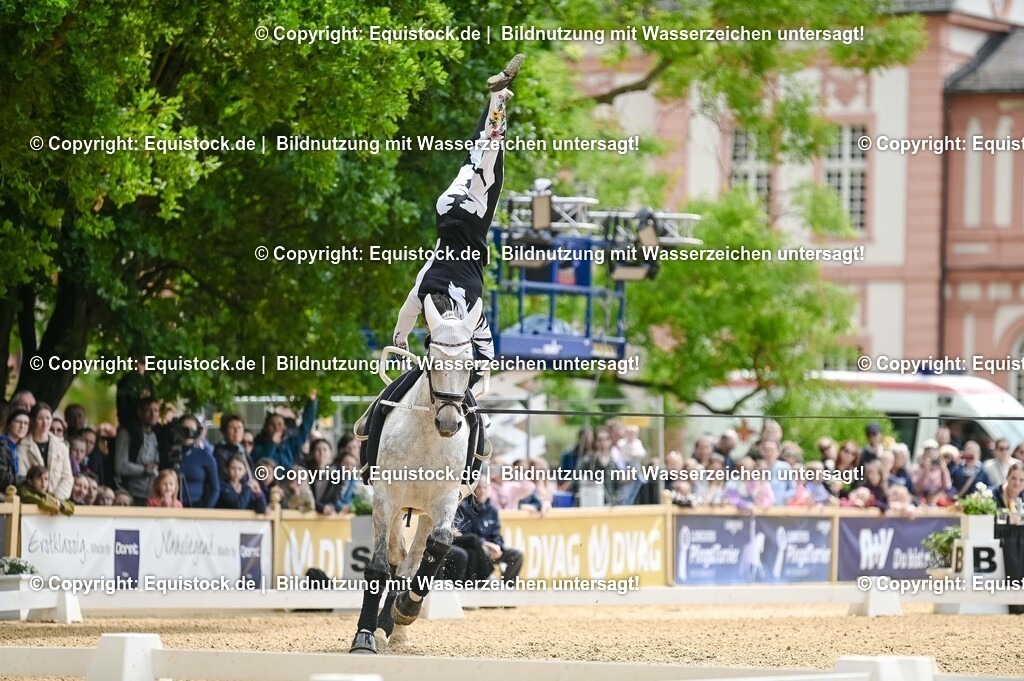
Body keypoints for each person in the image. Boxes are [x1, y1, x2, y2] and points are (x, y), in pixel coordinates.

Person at [354, 55, 526, 441]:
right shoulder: (431, 285)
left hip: (459, 208)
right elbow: (407, 312)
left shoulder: (468, 307)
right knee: (483, 150)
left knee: (487, 152)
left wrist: (403, 347)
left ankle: (498, 99)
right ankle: (496, 99)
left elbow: (483, 348)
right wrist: (402, 341)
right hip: (450, 211)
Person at [454, 474, 523, 585]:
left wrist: (498, 547)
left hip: (492, 548)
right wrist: (485, 544)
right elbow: (465, 534)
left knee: (516, 555)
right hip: (478, 548)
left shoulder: (492, 510)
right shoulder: (464, 508)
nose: (482, 491)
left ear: (490, 489)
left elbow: (496, 533)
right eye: (479, 487)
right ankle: (489, 579)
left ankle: (506, 589)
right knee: (477, 549)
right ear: (473, 489)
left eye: (485, 487)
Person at [16, 403, 73, 500]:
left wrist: (56, 498)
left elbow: (67, 478)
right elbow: (22, 477)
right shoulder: (22, 446)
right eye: (40, 418)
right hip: (32, 501)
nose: (45, 422)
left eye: (48, 418)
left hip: (57, 503)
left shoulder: (61, 446)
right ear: (33, 421)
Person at [251, 391, 318, 469]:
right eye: (272, 425)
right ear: (266, 427)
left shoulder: (290, 441)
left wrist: (311, 403)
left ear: (284, 427)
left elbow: (305, 428)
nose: (276, 428)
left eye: (279, 424)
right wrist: (272, 444)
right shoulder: (258, 443)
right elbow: (261, 462)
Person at [114, 397, 161, 505]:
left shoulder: (155, 435)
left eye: (156, 410)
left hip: (151, 493)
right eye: (149, 410)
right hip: (131, 493)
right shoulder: (127, 433)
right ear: (139, 412)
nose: (153, 414)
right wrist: (144, 470)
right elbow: (120, 466)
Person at [175, 414, 220, 508]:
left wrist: (205, 511)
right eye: (184, 429)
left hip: (196, 505)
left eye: (191, 429)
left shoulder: (206, 457)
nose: (187, 433)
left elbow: (214, 489)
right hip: (172, 505)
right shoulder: (170, 453)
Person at [307, 438, 344, 515]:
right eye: (318, 450)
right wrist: (321, 507)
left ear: (330, 453)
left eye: (325, 450)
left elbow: (336, 497)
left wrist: (330, 506)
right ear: (313, 453)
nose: (321, 453)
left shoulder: (337, 474)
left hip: (326, 516)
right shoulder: (306, 471)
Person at [0, 409, 28, 499]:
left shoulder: (18, 447)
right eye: (18, 422)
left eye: (26, 423)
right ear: (9, 424)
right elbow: (2, 477)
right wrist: (26, 481)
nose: (22, 426)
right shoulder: (2, 445)